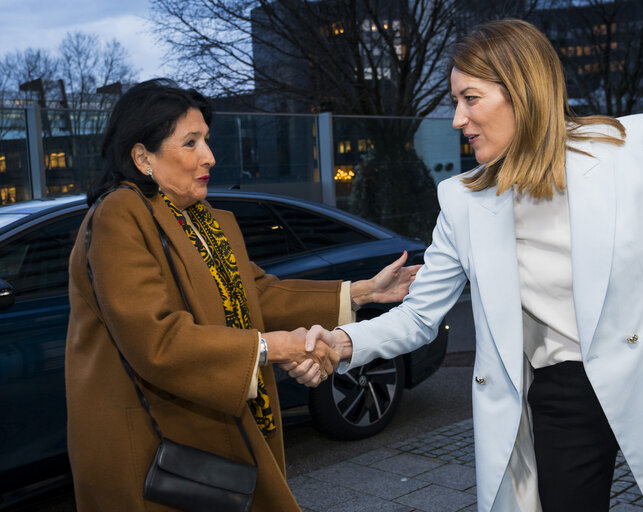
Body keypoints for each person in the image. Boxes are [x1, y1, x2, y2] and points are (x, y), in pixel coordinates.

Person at [304, 19, 643, 512]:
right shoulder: (462, 200)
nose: (457, 119)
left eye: (470, 98)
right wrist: (345, 342)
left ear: (522, 92)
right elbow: (420, 316)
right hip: (560, 390)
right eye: (455, 101)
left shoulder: (633, 148)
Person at [65, 79, 419, 511]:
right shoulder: (118, 214)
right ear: (143, 157)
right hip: (150, 455)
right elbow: (155, 340)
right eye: (190, 143)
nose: (209, 156)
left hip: (203, 432)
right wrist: (271, 347)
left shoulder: (198, 218)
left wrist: (362, 291)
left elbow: (257, 293)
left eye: (206, 141)